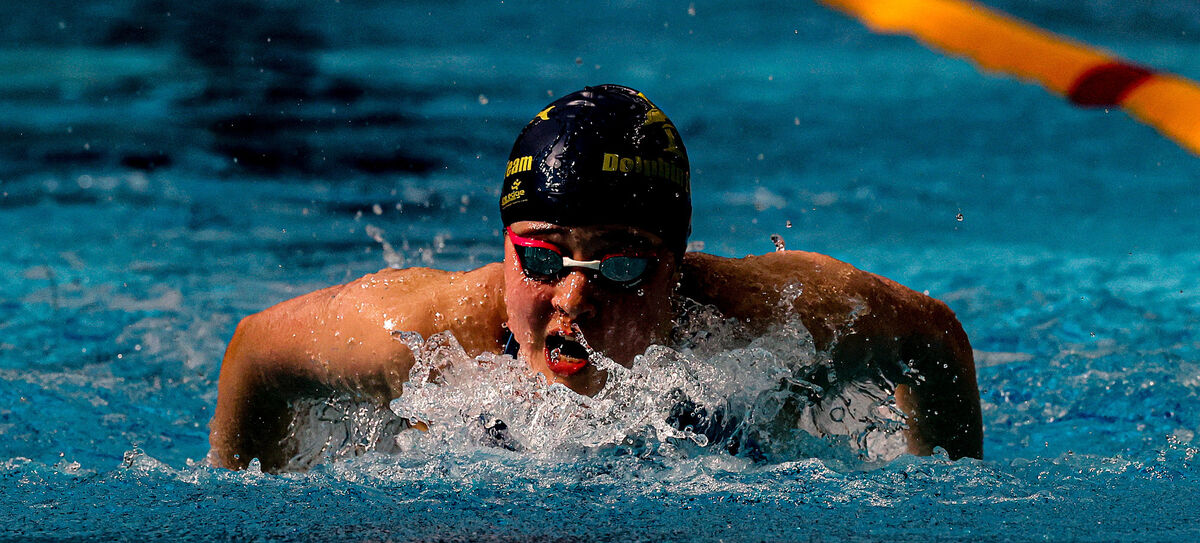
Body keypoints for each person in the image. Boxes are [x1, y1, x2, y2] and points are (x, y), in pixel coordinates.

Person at [209, 84, 982, 471]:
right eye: (542, 260)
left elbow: (934, 337)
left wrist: (941, 510)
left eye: (619, 263)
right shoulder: (424, 339)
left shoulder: (770, 321)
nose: (572, 299)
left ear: (674, 266)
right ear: (507, 247)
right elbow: (255, 353)